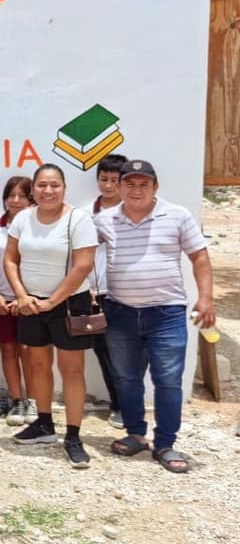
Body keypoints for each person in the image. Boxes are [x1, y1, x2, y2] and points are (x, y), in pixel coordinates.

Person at [96, 159, 215, 474]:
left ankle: (165, 444)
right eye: (129, 184)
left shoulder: (177, 215)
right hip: (120, 312)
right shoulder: (104, 220)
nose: (136, 190)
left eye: (143, 184)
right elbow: (79, 253)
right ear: (119, 186)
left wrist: (205, 297)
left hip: (166, 314)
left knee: (168, 381)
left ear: (155, 187)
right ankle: (136, 434)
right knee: (126, 378)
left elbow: (199, 257)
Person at [4, 163, 97, 468]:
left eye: (54, 185)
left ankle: (73, 436)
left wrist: (52, 301)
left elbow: (83, 266)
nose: (48, 191)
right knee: (38, 364)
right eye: (42, 185)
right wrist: (21, 295)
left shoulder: (78, 220)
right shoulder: (23, 218)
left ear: (64, 188)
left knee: (72, 370)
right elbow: (10, 260)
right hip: (31, 303)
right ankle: (44, 424)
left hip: (70, 304)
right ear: (33, 189)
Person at [0, 177, 36, 426]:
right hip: (1, 299)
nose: (15, 201)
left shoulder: (37, 226)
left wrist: (23, 295)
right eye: (11, 195)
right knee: (8, 350)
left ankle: (34, 401)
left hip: (29, 299)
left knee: (29, 351)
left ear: (31, 200)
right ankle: (17, 400)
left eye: (22, 196)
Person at [84, 153, 127, 427]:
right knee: (102, 349)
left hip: (126, 292)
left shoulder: (133, 212)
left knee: (127, 350)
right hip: (93, 292)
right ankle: (118, 404)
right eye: (104, 179)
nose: (109, 185)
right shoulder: (85, 213)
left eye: (115, 180)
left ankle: (128, 404)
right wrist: (84, 285)